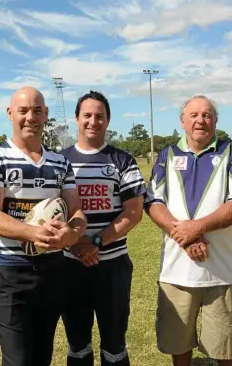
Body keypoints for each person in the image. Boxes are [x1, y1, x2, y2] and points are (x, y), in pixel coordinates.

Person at [0, 86, 87, 366]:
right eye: (23, 110)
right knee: (17, 360)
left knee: (42, 356)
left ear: (46, 114)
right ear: (10, 113)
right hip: (11, 271)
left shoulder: (61, 162)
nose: (30, 117)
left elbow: (78, 212)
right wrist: (35, 233)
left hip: (53, 270)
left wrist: (69, 234)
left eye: (37, 110)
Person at [61, 91, 146, 366]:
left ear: (108, 121)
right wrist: (74, 244)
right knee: (77, 343)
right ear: (77, 119)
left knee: (114, 344)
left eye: (100, 116)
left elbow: (133, 213)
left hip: (112, 265)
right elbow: (50, 212)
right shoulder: (59, 161)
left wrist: (95, 242)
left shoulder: (122, 160)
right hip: (69, 265)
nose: (93, 121)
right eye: (87, 115)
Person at [146, 95, 232, 366]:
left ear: (216, 121)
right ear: (182, 121)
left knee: (226, 349)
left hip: (222, 271)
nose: (200, 120)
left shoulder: (229, 151)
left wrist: (197, 228)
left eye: (207, 115)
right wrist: (183, 237)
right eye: (194, 115)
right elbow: (153, 201)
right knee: (177, 344)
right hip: (176, 270)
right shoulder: (167, 154)